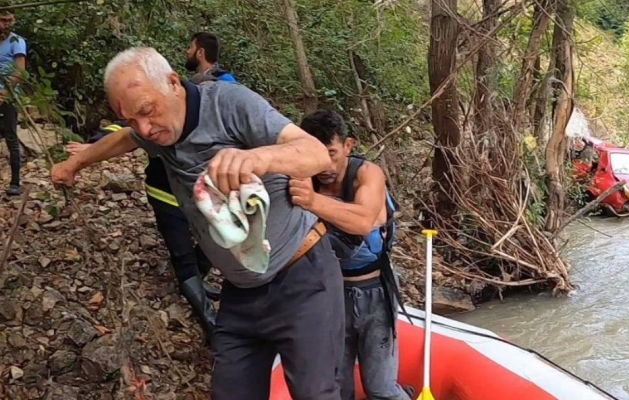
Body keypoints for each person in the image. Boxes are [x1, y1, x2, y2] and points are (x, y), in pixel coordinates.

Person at [50, 47, 344, 400]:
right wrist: (76, 163)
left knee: (315, 393)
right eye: (131, 118)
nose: (145, 127)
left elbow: (313, 153)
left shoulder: (229, 103)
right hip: (239, 290)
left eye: (147, 111)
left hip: (302, 278)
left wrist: (257, 157)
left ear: (173, 82)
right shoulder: (153, 129)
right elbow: (125, 140)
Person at [289, 110, 411, 400]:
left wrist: (312, 201)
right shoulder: (303, 177)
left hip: (376, 291)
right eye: (315, 154)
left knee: (380, 388)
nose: (324, 164)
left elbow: (362, 220)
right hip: (329, 292)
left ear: (347, 145)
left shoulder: (367, 174)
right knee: (336, 387)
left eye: (330, 153)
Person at [66, 120, 220, 345]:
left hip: (204, 196)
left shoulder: (219, 114)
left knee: (215, 243)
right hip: (165, 193)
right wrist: (93, 146)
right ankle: (209, 322)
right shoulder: (158, 116)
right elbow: (121, 130)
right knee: (182, 255)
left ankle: (198, 280)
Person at [0, 8, 25, 196]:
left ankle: (15, 181)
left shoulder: (16, 41)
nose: (5, 24)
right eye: (2, 20)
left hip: (7, 96)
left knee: (11, 137)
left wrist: (4, 93)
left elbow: (19, 72)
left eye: (9, 20)